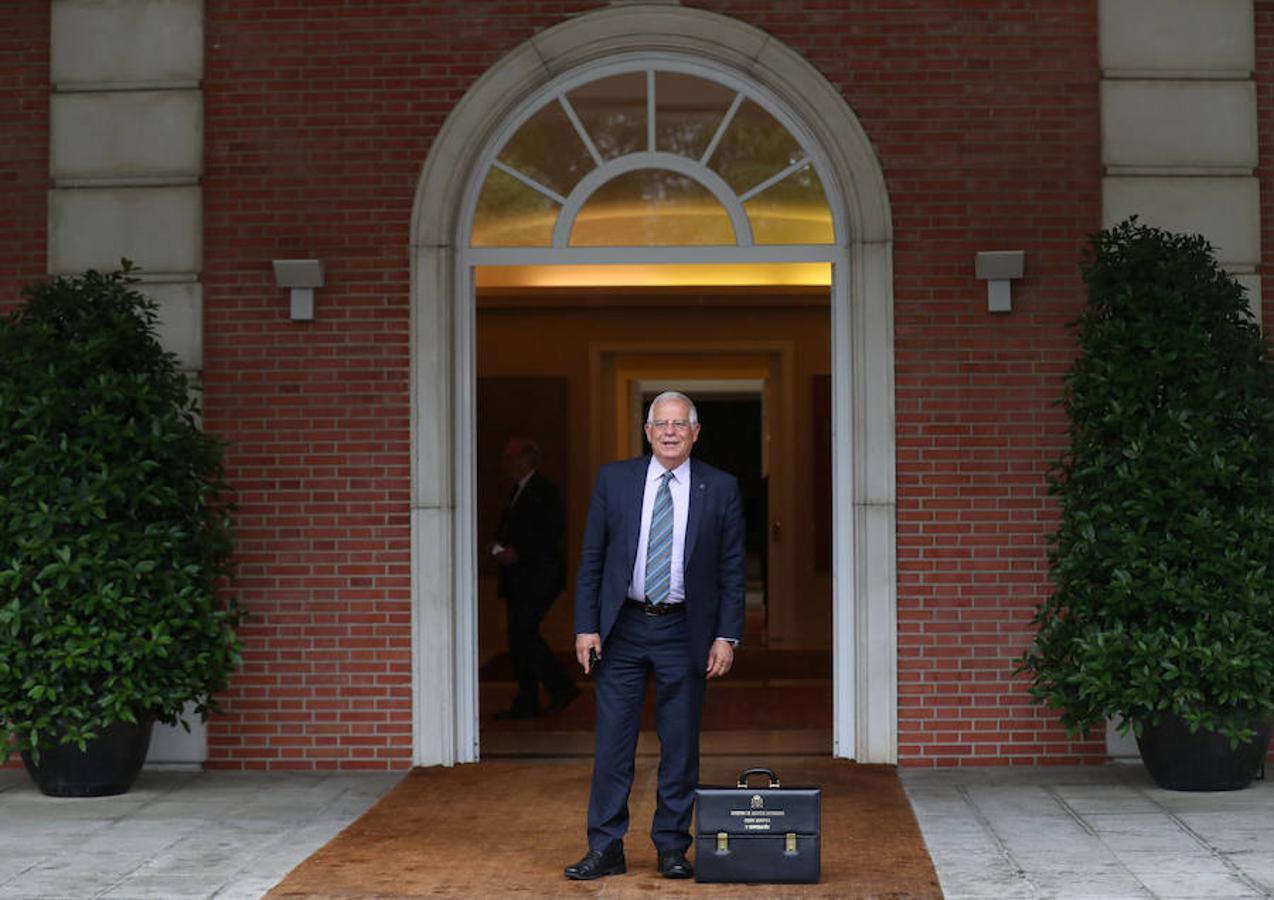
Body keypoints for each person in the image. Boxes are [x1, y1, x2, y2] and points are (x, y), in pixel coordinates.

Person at [564, 392, 746, 881]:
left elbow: (732, 570)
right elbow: (592, 560)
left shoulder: (721, 487)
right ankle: (605, 847)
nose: (669, 432)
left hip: (684, 629)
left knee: (680, 744)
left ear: (695, 432)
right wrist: (586, 626)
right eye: (661, 424)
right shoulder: (614, 480)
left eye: (679, 424)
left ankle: (671, 847)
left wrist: (726, 636)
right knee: (613, 745)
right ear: (647, 432)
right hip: (622, 627)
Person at [490, 438, 579, 720]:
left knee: (524, 633)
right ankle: (527, 699)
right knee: (518, 637)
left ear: (525, 460)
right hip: (518, 577)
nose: (504, 464)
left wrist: (518, 551)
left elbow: (550, 531)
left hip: (537, 577)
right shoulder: (516, 490)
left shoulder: (544, 490)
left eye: (509, 457)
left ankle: (560, 686)